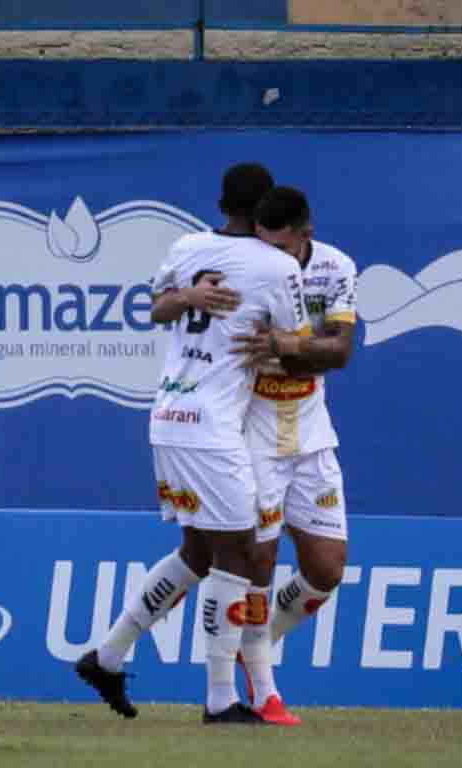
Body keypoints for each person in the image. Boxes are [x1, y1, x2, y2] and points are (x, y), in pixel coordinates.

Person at [74, 163, 310, 724]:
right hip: (212, 426)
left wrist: (186, 295)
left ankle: (107, 657)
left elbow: (156, 309)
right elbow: (298, 347)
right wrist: (278, 347)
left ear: (221, 202)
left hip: (169, 415)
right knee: (240, 553)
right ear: (267, 211)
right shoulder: (277, 265)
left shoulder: (187, 247)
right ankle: (220, 699)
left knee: (199, 553)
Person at [225, 186, 357, 726]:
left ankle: (255, 642)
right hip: (253, 432)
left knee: (327, 569)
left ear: (306, 235)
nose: (271, 258)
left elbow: (340, 351)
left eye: (280, 248)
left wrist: (286, 346)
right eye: (263, 246)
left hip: (311, 432)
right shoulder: (244, 269)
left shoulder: (335, 267)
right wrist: (306, 350)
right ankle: (265, 693)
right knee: (259, 559)